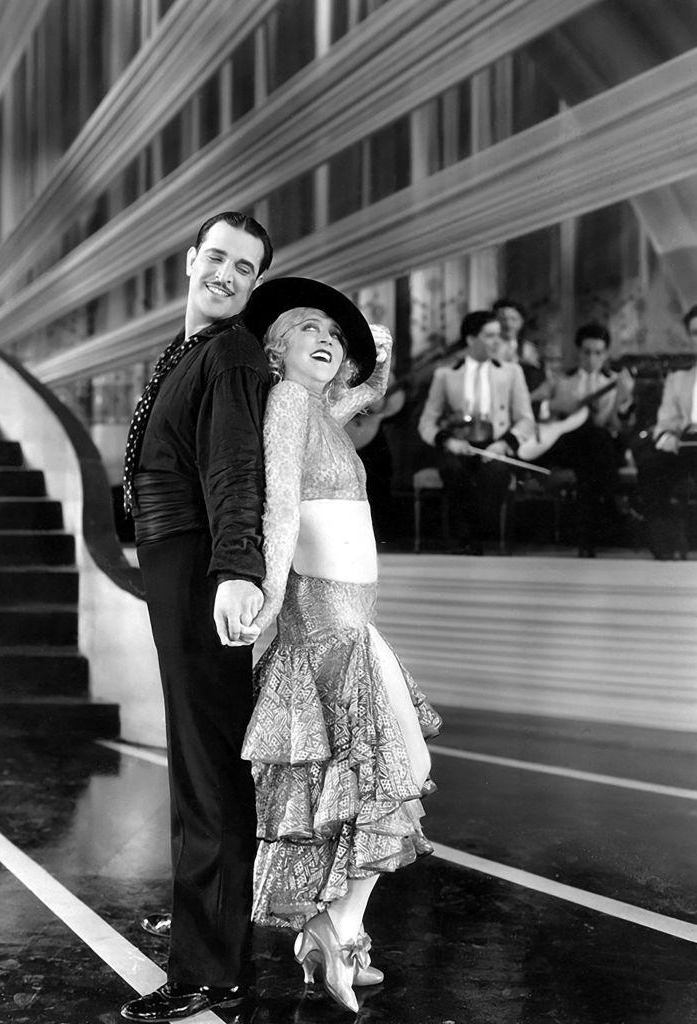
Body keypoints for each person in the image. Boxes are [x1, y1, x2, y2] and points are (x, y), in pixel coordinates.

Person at [239, 278, 442, 1014]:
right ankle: (336, 932)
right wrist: (264, 596)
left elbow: (372, 390)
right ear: (273, 348)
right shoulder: (290, 404)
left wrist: (371, 345)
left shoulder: (322, 408)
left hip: (355, 618)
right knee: (397, 769)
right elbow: (283, 504)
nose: (325, 338)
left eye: (333, 331)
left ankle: (335, 936)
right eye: (305, 328)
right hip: (328, 623)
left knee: (375, 780)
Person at [119, 211, 273, 1023]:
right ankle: (203, 927)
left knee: (209, 763)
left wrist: (237, 569)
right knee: (195, 755)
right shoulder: (191, 352)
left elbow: (235, 466)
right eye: (217, 257)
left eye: (244, 268)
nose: (226, 274)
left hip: (200, 563)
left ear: (252, 284)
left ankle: (208, 971)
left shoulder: (234, 354)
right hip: (175, 559)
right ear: (191, 260)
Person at [417, 310, 535, 553]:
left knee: (493, 472)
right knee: (453, 469)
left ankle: (475, 541)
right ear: (471, 339)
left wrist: (503, 445)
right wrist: (447, 441)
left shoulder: (512, 372)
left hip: (496, 444)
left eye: (498, 336)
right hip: (459, 445)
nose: (496, 342)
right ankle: (466, 542)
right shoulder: (446, 375)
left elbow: (526, 420)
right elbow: (427, 422)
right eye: (489, 335)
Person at [545, 323, 635, 556]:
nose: (592, 358)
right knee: (593, 445)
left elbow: (617, 426)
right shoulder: (560, 380)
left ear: (606, 354)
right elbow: (536, 408)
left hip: (599, 449)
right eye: (586, 352)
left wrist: (623, 399)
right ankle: (614, 502)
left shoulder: (616, 381)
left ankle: (586, 543)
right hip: (569, 446)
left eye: (598, 352)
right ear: (578, 351)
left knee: (594, 453)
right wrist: (556, 405)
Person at [635, 304, 697, 559]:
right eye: (695, 333)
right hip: (688, 444)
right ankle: (664, 547)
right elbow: (665, 421)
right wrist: (667, 436)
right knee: (650, 463)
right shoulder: (679, 379)